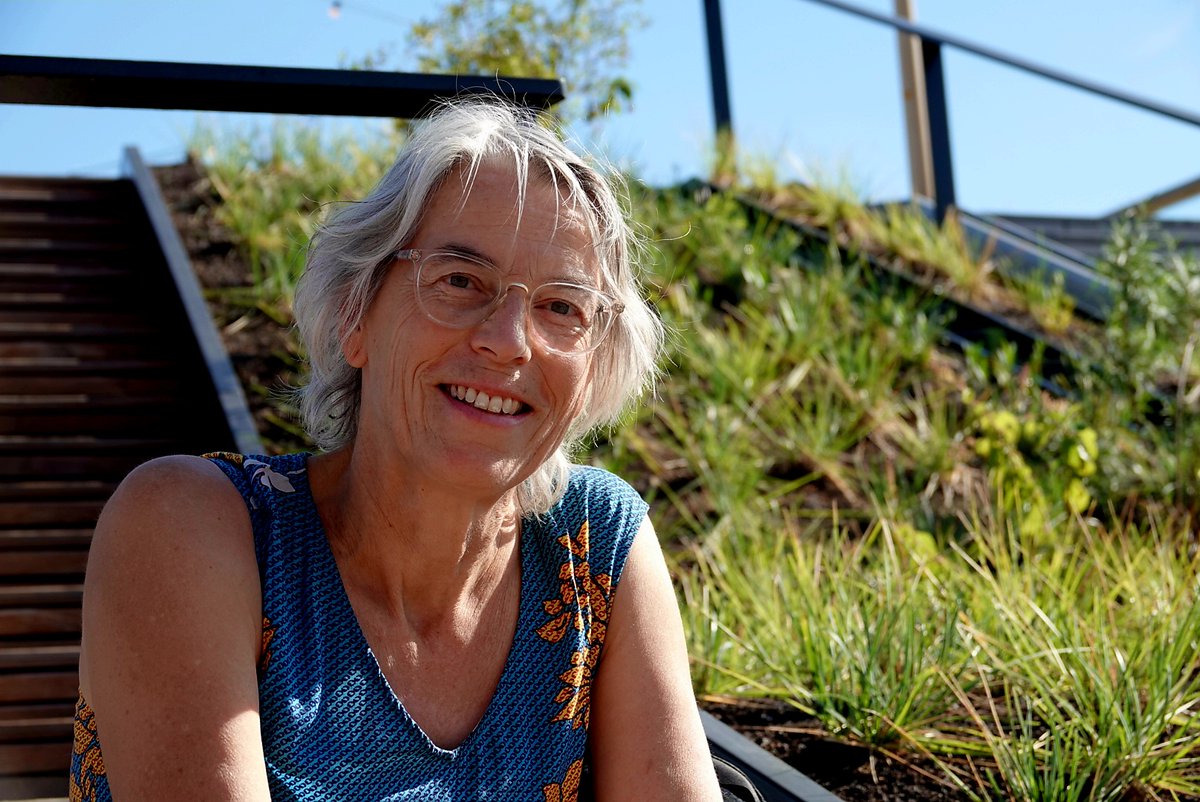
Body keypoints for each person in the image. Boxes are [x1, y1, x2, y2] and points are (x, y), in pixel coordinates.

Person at [71, 98, 724, 801]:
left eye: (562, 307)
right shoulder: (191, 526)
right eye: (460, 281)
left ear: (594, 367)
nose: (507, 341)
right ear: (357, 314)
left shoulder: (595, 546)